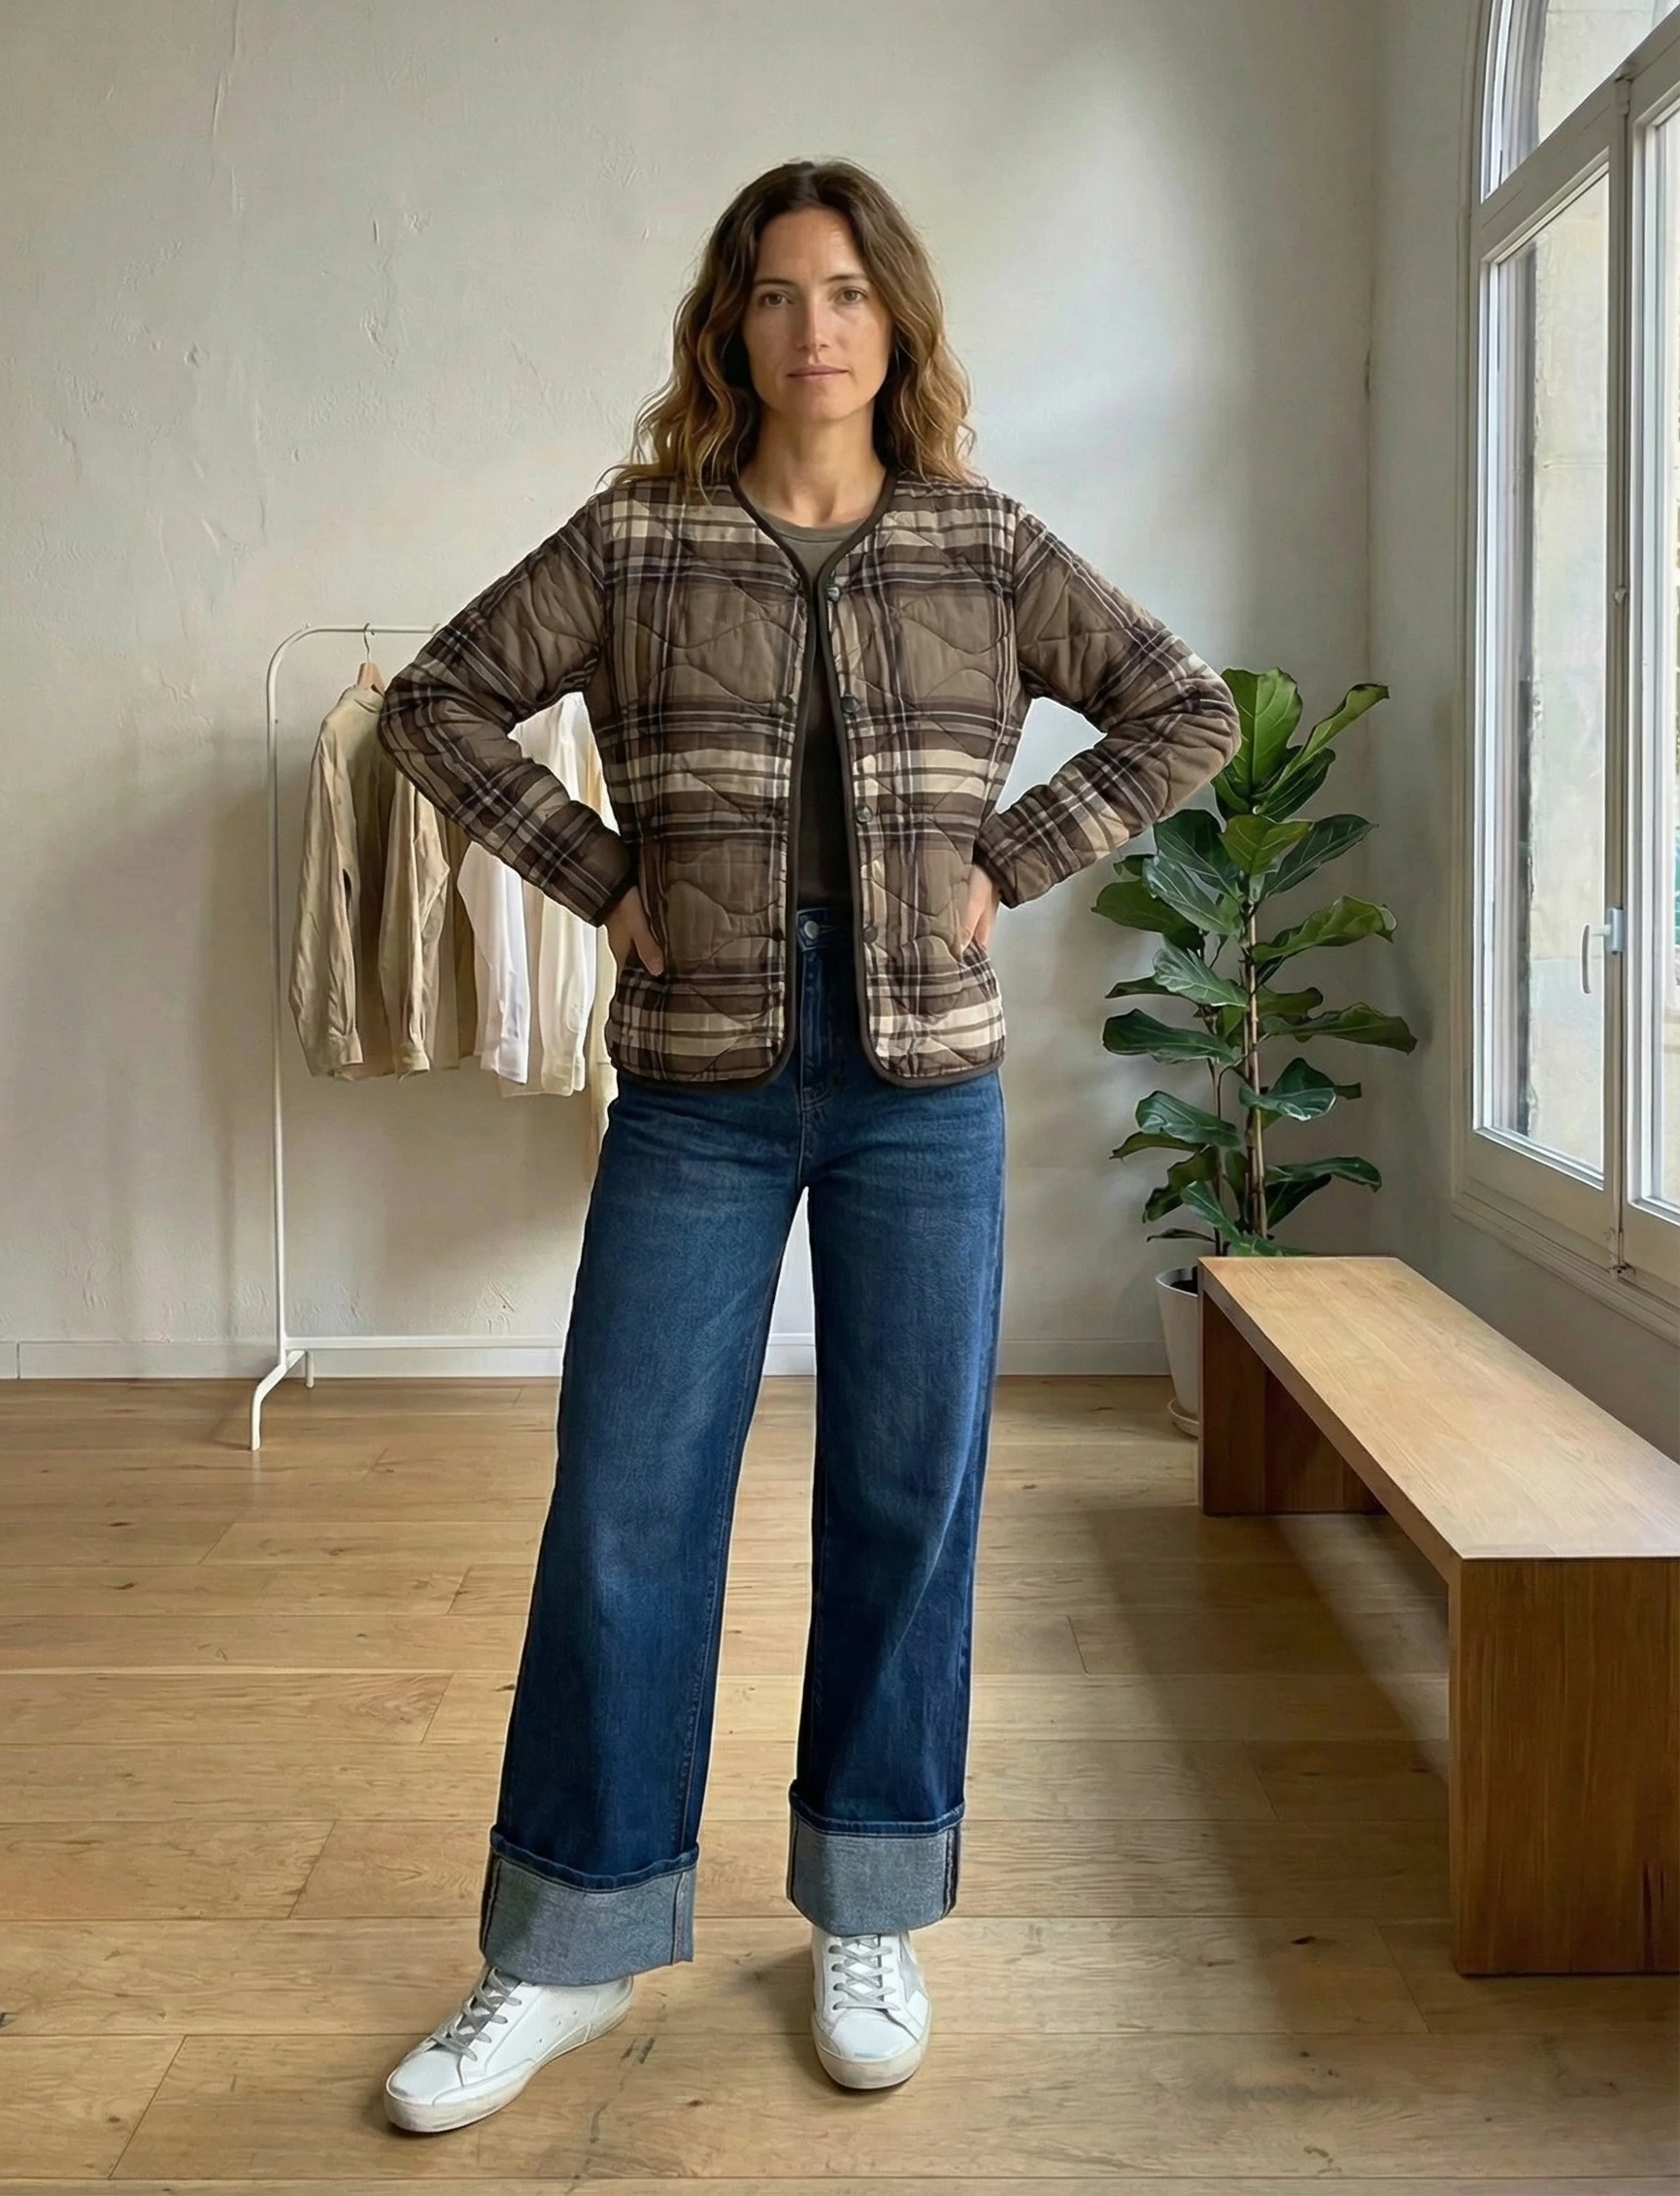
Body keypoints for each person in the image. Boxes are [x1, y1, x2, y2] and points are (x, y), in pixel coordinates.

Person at [373, 157, 1239, 2133]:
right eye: (775, 293)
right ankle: (569, 1942)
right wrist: (603, 877)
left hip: (923, 1092)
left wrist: (1007, 860)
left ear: (895, 321)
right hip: (701, 1085)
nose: (812, 325)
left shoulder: (981, 541)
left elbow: (1176, 709)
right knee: (625, 1505)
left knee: (904, 1500)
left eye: (845, 290)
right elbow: (437, 706)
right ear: (730, 327)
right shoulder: (641, 535)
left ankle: (869, 1908)